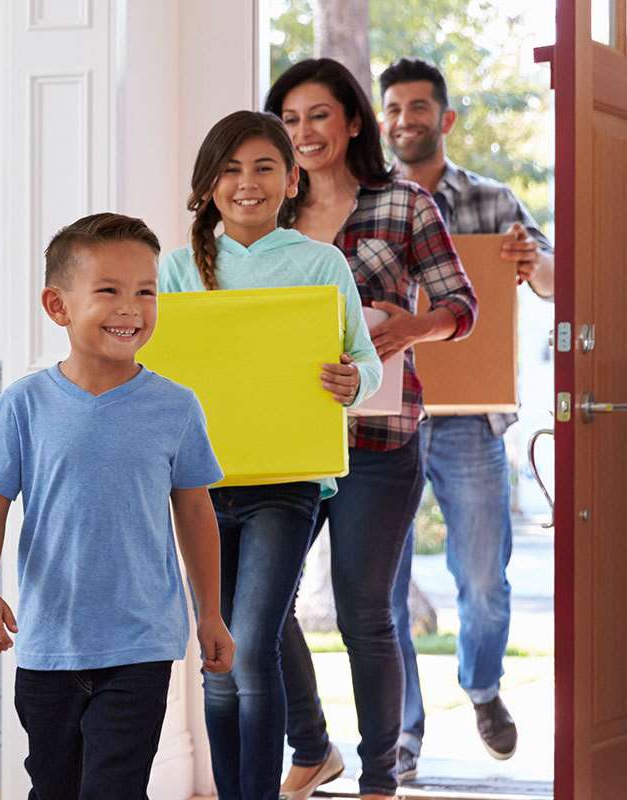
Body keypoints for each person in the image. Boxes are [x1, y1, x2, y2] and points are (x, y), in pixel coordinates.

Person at [0, 212, 233, 799]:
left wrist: (209, 613)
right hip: (48, 644)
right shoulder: (25, 404)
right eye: (109, 290)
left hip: (142, 641)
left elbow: (195, 514)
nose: (131, 308)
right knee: (54, 787)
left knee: (115, 788)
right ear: (57, 305)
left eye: (146, 292)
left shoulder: (176, 407)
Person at [266, 57, 480, 800]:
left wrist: (411, 328)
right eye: (290, 120)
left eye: (318, 115)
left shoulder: (405, 203)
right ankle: (312, 747)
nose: (304, 132)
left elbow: (462, 307)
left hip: (380, 441)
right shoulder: (270, 216)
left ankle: (380, 780)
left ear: (354, 120)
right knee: (261, 606)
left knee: (365, 614)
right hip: (288, 440)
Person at [161, 110, 384, 800]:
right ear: (209, 184)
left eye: (263, 167)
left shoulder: (321, 263)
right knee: (219, 657)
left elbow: (367, 363)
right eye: (230, 169)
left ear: (292, 181)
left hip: (288, 482)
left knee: (252, 648)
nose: (247, 183)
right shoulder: (175, 269)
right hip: (199, 489)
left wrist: (352, 380)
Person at [376, 56, 556, 780]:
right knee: (382, 588)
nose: (405, 120)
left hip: (469, 418)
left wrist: (528, 259)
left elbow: (553, 282)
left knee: (483, 579)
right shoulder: (366, 204)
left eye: (419, 107)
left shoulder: (490, 199)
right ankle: (401, 730)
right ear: (382, 120)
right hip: (386, 417)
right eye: (394, 108)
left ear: (444, 118)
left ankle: (482, 688)